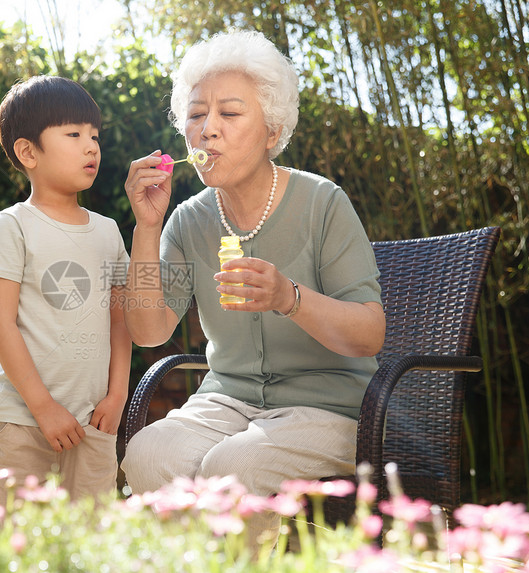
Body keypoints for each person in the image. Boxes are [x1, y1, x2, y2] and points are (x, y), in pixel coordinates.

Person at [120, 31, 386, 543]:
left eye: (230, 114)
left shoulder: (322, 203)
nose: (208, 130)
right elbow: (149, 331)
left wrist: (291, 298)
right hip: (228, 400)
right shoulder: (186, 220)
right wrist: (146, 228)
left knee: (234, 467)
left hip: (329, 406)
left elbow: (368, 335)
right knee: (149, 455)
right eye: (197, 115)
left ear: (272, 130)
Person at [0, 75, 132, 505]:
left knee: (90, 541)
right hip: (22, 423)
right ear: (28, 152)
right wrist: (43, 407)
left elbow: (120, 320)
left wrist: (118, 395)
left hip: (95, 422)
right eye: (74, 134)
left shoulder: (109, 232)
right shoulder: (13, 226)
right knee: (16, 542)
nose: (91, 146)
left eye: (94, 135)